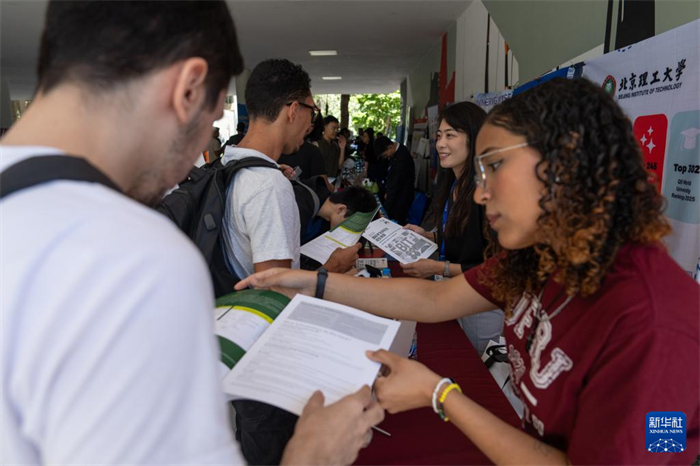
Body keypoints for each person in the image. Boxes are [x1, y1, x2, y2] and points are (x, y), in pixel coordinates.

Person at [236, 77, 700, 465]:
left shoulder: (659, 324)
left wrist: (441, 395)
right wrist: (313, 281)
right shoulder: (544, 257)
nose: (481, 194)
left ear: (565, 161)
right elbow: (438, 299)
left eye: (495, 166)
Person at [0, 2, 383, 465]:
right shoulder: (131, 257)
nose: (201, 152)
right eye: (213, 115)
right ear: (188, 87)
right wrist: (312, 453)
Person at [220, 58, 361, 464]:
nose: (312, 125)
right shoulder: (267, 186)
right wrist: (331, 271)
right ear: (293, 109)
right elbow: (275, 291)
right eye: (312, 112)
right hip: (264, 356)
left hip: (231, 336)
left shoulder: (227, 162)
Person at [402, 102, 502, 355]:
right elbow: (465, 238)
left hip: (483, 304)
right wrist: (430, 235)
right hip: (457, 293)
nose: (440, 144)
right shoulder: (454, 183)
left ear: (475, 138)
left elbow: (495, 265)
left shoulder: (486, 191)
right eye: (438, 136)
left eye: (450, 136)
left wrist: (437, 268)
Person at [375, 135, 415, 225]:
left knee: (397, 222)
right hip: (396, 192)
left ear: (390, 147)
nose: (386, 157)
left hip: (401, 197)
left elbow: (395, 184)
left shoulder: (402, 158)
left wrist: (385, 210)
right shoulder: (396, 151)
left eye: (385, 155)